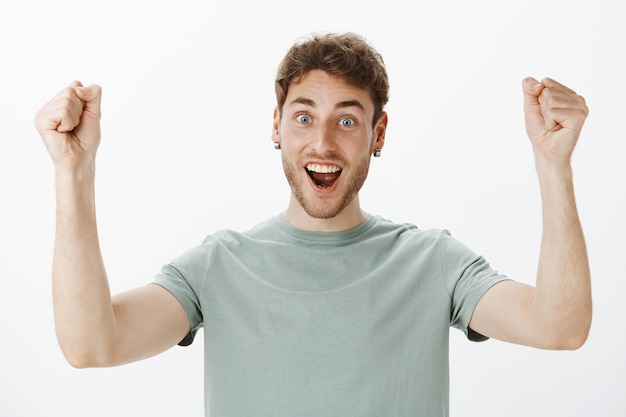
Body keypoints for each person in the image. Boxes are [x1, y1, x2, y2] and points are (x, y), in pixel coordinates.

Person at [34, 32, 592, 416]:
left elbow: (559, 328)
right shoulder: (217, 266)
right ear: (277, 125)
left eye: (347, 119)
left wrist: (553, 163)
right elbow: (91, 344)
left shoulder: (434, 262)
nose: (322, 143)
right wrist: (73, 173)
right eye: (304, 116)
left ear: (379, 133)